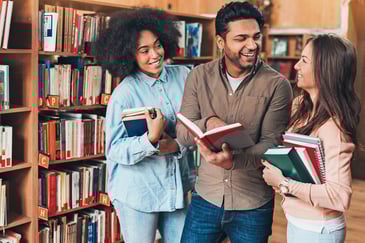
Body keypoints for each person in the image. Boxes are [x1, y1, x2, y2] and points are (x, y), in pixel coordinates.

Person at [176, 1, 293, 242]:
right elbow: (181, 132)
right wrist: (208, 123)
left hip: (253, 205)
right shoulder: (198, 77)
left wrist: (233, 162)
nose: (252, 45)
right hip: (205, 198)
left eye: (256, 37)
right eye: (241, 38)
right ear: (221, 42)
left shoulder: (277, 85)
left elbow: (271, 146)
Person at [95, 8, 195, 243]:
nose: (155, 54)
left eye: (158, 45)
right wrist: (149, 140)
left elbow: (197, 125)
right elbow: (115, 150)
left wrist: (178, 145)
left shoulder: (184, 76)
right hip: (138, 192)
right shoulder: (124, 94)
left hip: (176, 187)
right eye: (144, 50)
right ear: (129, 55)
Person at [262, 34, 361, 243]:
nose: (296, 66)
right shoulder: (300, 106)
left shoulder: (334, 127)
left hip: (319, 231)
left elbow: (339, 196)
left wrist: (284, 183)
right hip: (297, 221)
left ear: (324, 70)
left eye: (304, 61)